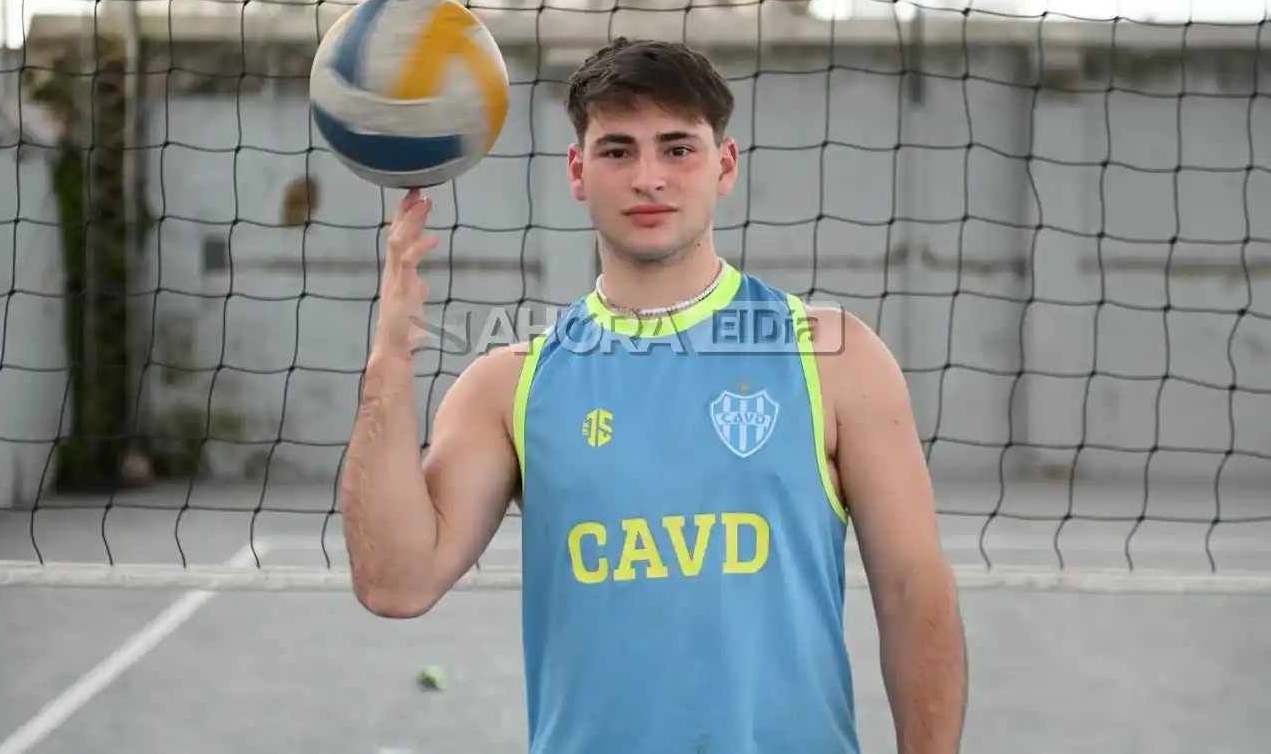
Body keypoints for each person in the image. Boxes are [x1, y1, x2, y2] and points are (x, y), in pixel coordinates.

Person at [340, 37, 968, 754]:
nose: (648, 178)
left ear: (724, 166)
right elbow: (395, 584)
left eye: (678, 149)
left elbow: (914, 591)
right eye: (617, 151)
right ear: (578, 172)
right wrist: (389, 359)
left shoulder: (833, 354)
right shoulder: (510, 384)